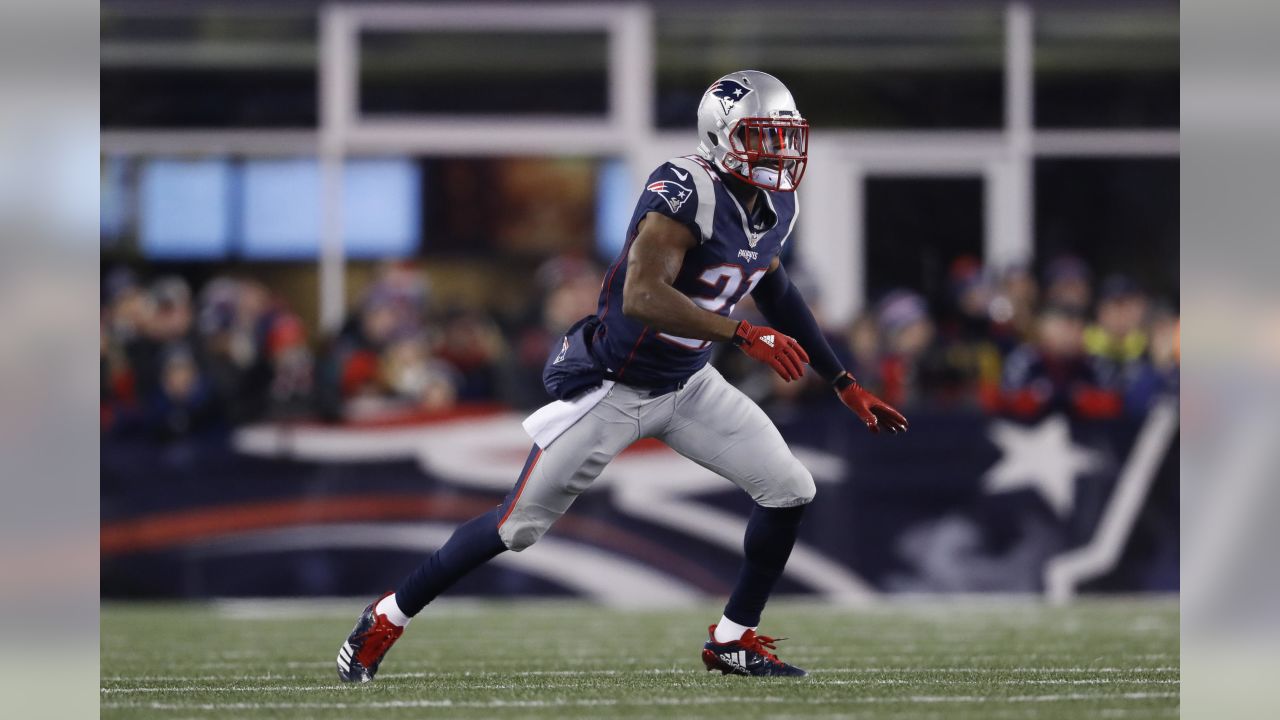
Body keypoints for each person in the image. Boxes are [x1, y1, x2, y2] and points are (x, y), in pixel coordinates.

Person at [335, 70, 908, 682]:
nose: (779, 153)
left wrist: (842, 380)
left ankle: (732, 639)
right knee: (516, 526)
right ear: (721, 136)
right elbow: (642, 295)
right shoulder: (686, 190)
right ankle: (387, 616)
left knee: (790, 488)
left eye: (784, 137)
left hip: (687, 382)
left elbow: (775, 286)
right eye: (762, 137)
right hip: (615, 384)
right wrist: (743, 333)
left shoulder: (776, 203)